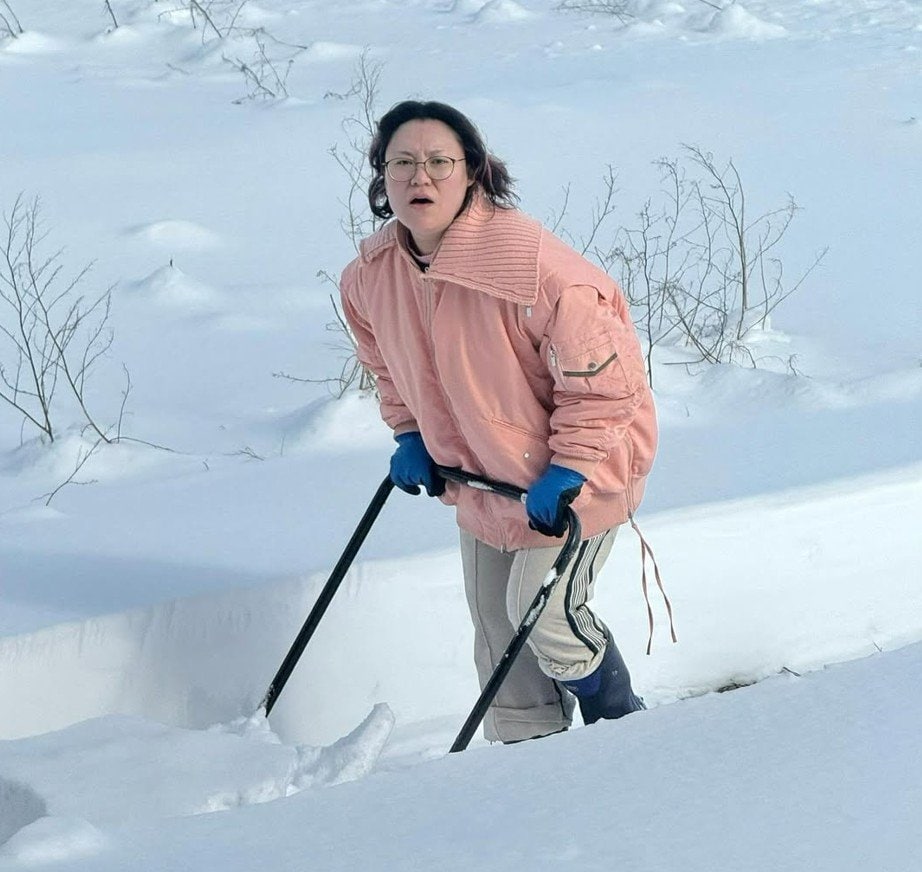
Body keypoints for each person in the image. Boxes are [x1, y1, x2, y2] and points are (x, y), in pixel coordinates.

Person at [339, 100, 658, 744]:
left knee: (545, 619)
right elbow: (389, 369)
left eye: (438, 162)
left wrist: (566, 469)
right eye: (402, 162)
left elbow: (602, 395)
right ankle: (530, 758)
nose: (419, 178)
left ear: (474, 172)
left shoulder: (541, 275)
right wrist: (407, 434)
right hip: (481, 480)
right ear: (381, 175)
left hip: (577, 475)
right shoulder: (369, 278)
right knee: (496, 633)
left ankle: (625, 733)